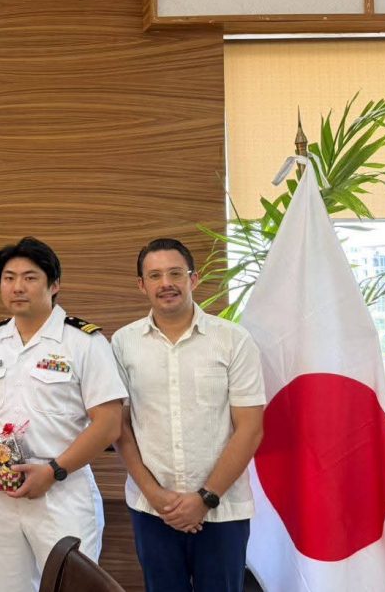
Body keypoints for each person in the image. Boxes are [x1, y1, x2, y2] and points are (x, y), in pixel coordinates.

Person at [112, 238, 265, 592]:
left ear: (193, 279)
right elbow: (119, 427)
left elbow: (250, 429)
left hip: (223, 509)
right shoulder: (122, 343)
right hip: (152, 510)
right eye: (155, 275)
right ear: (142, 285)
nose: (166, 283)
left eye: (175, 273)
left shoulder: (234, 340)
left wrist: (205, 499)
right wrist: (154, 494)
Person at [0, 237, 126, 592]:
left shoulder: (84, 342)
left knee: (69, 587)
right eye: (9, 278)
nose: (17, 287)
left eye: (30, 278)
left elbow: (109, 424)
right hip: (2, 491)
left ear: (54, 284)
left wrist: (54, 470)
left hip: (61, 489)